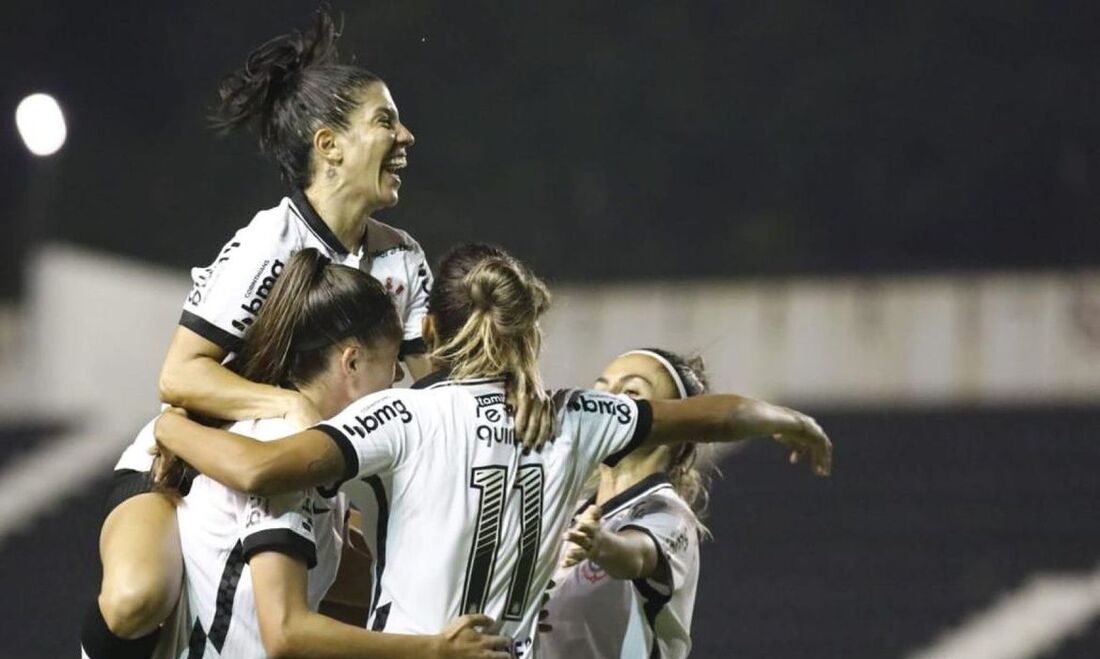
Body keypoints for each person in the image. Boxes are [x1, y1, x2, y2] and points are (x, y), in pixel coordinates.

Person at [153, 242, 833, 658]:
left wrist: (169, 427)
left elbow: (258, 466)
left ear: (429, 329)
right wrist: (786, 421)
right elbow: (709, 415)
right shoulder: (573, 416)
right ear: (528, 330)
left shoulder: (398, 414)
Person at [81, 10, 450, 659]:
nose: (408, 135)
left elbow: (433, 396)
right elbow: (181, 375)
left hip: (297, 483)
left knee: (362, 603)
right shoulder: (268, 242)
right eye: (385, 120)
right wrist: (289, 407)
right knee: (135, 596)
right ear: (329, 145)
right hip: (189, 469)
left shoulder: (403, 261)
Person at [86, 249, 511, 659]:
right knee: (135, 598)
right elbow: (286, 633)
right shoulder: (282, 442)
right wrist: (434, 650)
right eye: (391, 362)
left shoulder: (314, 449)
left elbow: (360, 586)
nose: (398, 376)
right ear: (352, 361)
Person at [540, 348, 713, 659]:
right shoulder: (563, 508)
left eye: (631, 392)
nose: (606, 404)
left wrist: (603, 544)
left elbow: (635, 555)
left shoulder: (667, 515)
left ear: (672, 427)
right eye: (602, 389)